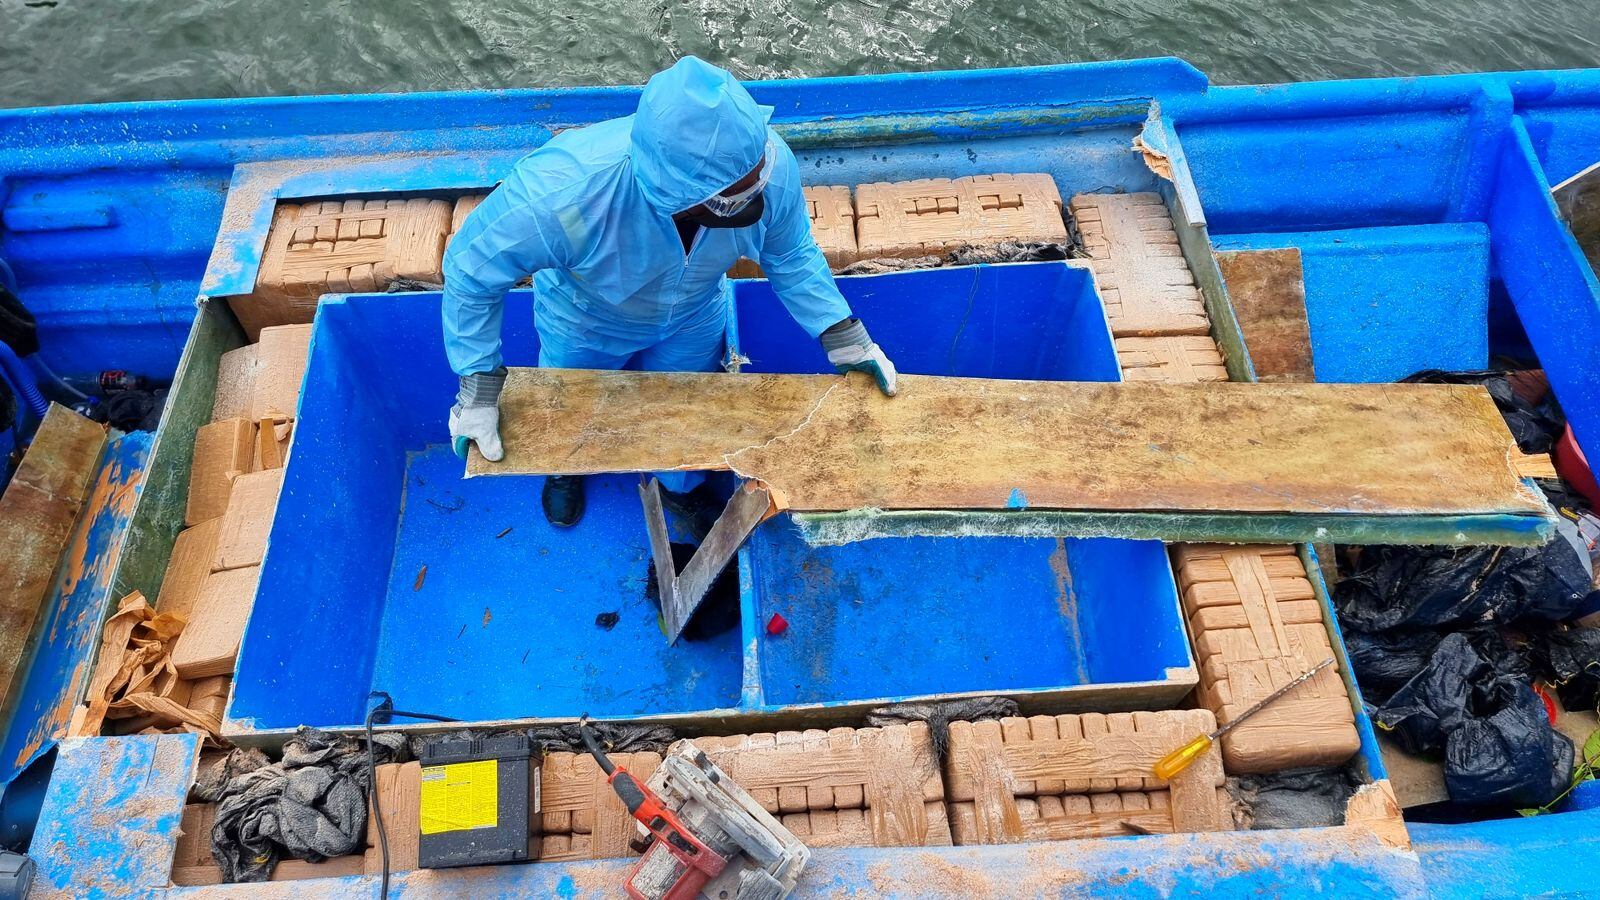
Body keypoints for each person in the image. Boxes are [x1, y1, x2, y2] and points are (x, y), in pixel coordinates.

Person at [443, 57, 898, 527]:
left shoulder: (764, 159)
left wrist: (841, 332)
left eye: (757, 180)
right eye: (733, 196)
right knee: (570, 405)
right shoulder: (562, 194)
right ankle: (566, 470)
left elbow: (790, 253)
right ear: (676, 192)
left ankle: (676, 487)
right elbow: (470, 271)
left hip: (694, 314)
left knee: (684, 412)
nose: (755, 198)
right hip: (585, 321)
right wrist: (478, 386)